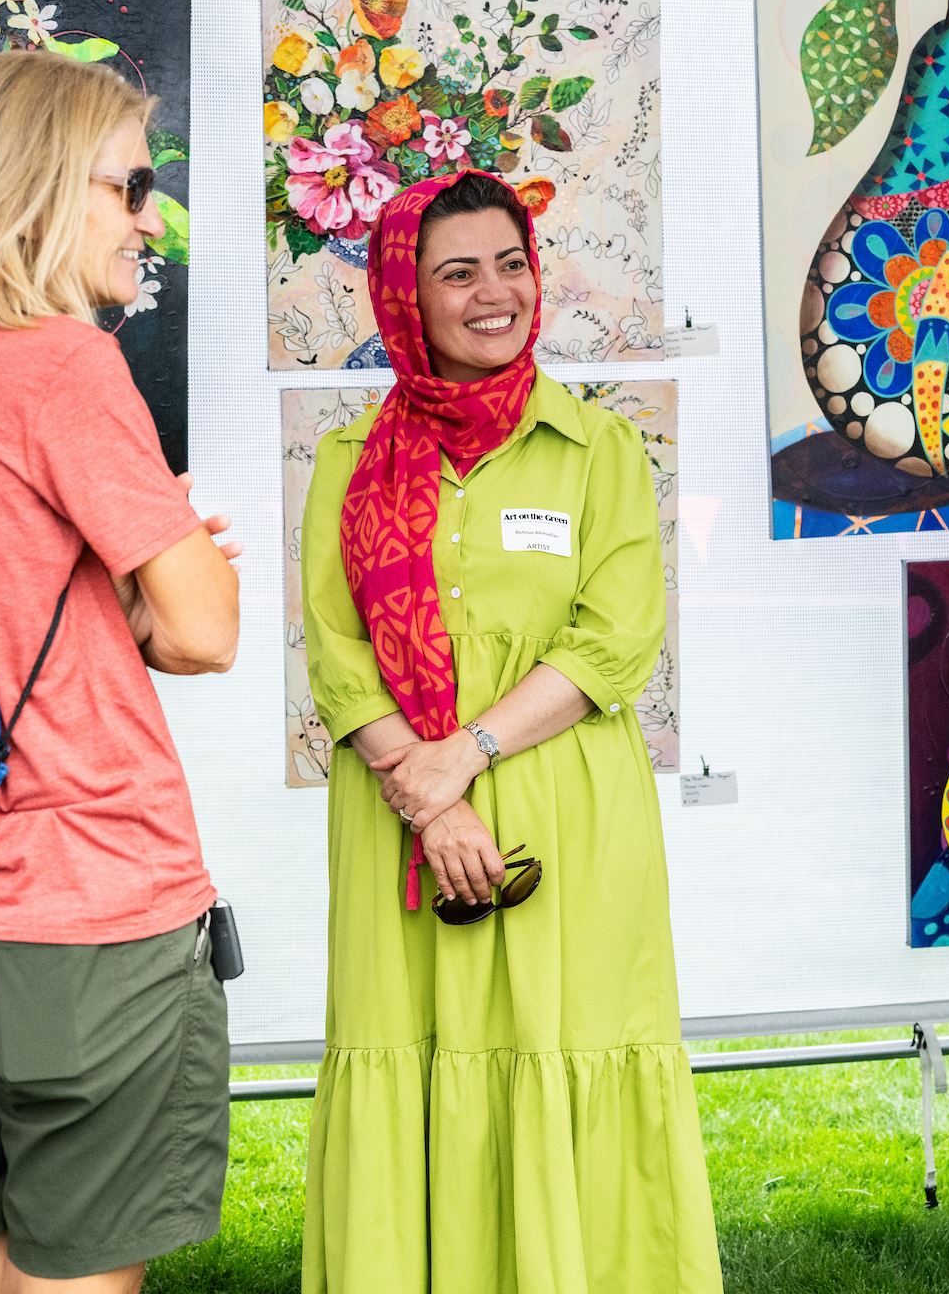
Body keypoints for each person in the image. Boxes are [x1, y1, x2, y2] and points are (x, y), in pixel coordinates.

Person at [298, 169, 722, 1293]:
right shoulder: (346, 465)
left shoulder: (600, 451)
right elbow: (337, 656)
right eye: (457, 272)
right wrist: (426, 797)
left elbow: (612, 644)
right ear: (404, 296)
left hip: (562, 817)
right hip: (402, 829)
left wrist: (460, 763)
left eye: (510, 263)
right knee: (413, 1051)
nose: (495, 294)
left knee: (564, 1046)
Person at [0, 51, 243, 1294]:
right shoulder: (62, 367)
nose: (149, 218)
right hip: (86, 908)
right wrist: (156, 576)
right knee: (78, 1273)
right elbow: (204, 632)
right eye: (131, 186)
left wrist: (122, 586)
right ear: (39, 188)